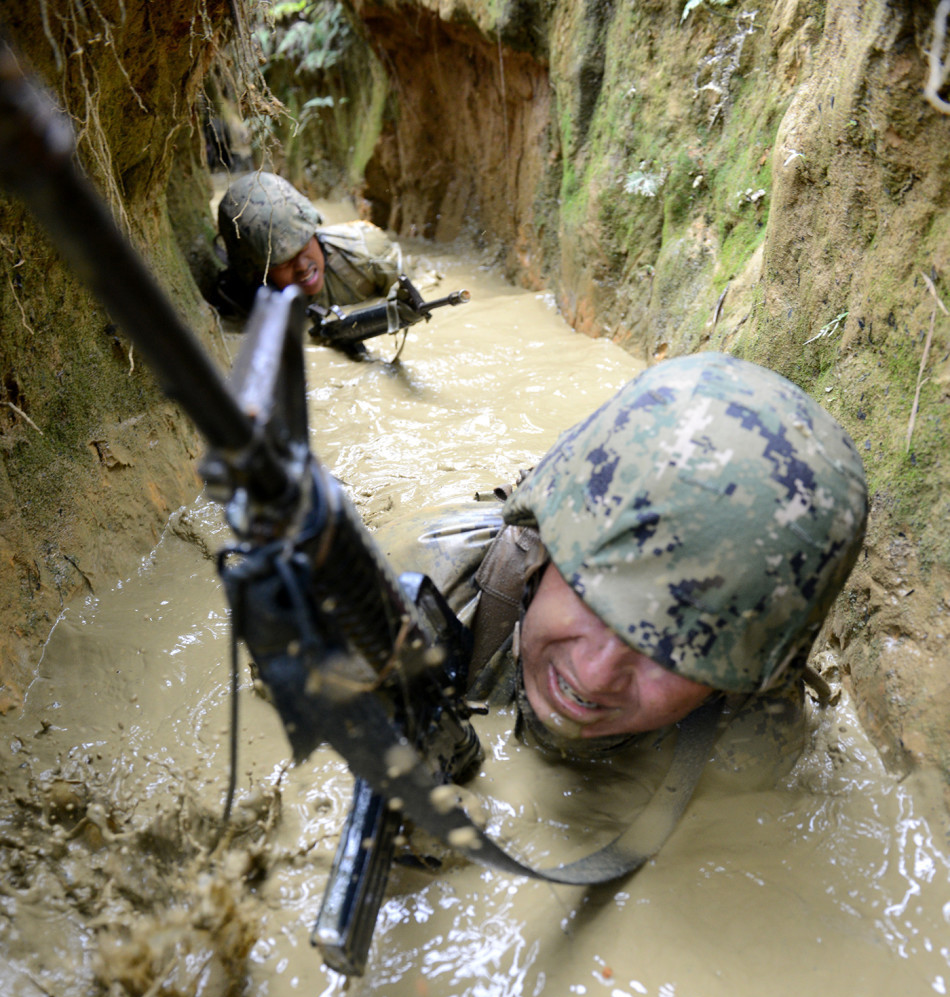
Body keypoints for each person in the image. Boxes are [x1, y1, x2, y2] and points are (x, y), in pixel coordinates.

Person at [382, 351, 868, 789]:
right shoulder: (419, 587)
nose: (594, 676)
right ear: (544, 547)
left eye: (673, 651)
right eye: (594, 602)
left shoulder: (752, 736)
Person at [213, 170, 427, 358]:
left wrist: (400, 312)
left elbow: (422, 288)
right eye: (284, 262)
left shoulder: (368, 254)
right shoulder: (240, 299)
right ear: (259, 272)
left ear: (313, 232)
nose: (301, 266)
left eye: (304, 246)